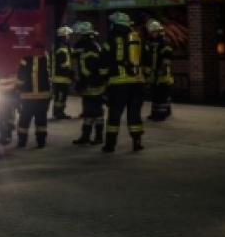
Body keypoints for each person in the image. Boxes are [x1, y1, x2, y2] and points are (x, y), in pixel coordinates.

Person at [100, 11, 145, 153]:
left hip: (119, 83)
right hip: (137, 82)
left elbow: (103, 60)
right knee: (134, 114)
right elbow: (145, 58)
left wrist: (103, 78)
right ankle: (137, 142)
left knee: (114, 114)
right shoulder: (136, 37)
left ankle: (110, 145)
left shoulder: (112, 38)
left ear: (115, 24)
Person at [71, 21, 106, 145]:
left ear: (84, 34)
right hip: (88, 84)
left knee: (96, 112)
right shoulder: (85, 45)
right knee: (87, 111)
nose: (77, 36)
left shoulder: (92, 46)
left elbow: (91, 68)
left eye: (79, 34)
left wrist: (82, 82)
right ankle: (85, 136)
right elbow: (76, 59)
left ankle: (98, 137)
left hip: (94, 85)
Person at [15, 41, 52, 148]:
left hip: (30, 98)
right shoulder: (46, 61)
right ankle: (39, 142)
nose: (38, 51)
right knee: (38, 120)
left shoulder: (26, 60)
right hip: (38, 97)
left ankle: (25, 142)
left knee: (27, 120)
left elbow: (20, 77)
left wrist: (18, 90)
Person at [145, 19, 175, 121]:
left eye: (155, 31)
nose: (154, 33)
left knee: (161, 95)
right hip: (153, 74)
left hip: (162, 74)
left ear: (159, 31)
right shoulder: (150, 43)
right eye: (152, 32)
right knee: (155, 95)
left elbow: (168, 57)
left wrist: (162, 68)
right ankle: (155, 113)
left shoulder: (164, 42)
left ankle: (161, 115)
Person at [51, 26, 75, 120]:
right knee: (60, 97)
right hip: (61, 78)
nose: (68, 37)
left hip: (61, 77)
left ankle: (59, 112)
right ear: (63, 36)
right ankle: (58, 113)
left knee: (60, 97)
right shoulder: (61, 48)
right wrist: (71, 74)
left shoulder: (60, 46)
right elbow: (63, 65)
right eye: (67, 35)